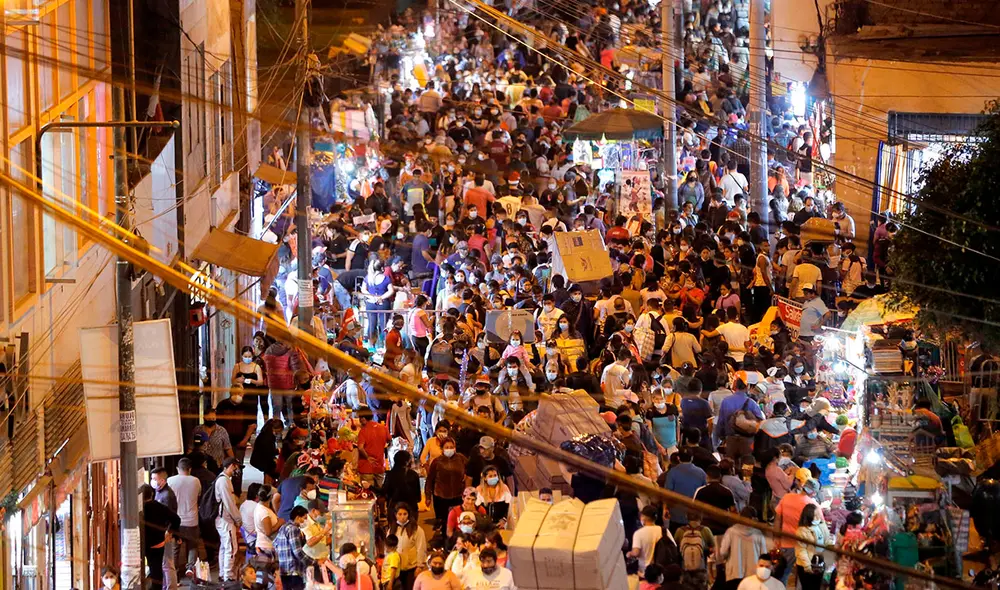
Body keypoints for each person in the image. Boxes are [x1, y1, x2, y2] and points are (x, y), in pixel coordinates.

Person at [167, 458, 204, 576]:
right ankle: (190, 568)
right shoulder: (196, 481)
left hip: (176, 521)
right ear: (190, 469)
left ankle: (175, 572)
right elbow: (198, 496)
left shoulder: (170, 481)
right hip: (192, 520)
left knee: (175, 548)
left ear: (178, 468)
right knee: (192, 546)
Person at [719, 507, 770, 590]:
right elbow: (764, 555)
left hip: (734, 573)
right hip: (753, 575)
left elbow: (723, 552)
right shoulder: (758, 534)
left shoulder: (731, 531)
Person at [140, 483, 180, 590]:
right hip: (158, 543)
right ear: (152, 494)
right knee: (156, 570)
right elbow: (176, 519)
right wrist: (170, 532)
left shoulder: (139, 509)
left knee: (139, 569)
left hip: (142, 544)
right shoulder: (160, 507)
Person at [426, 437, 468, 528]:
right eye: (447, 447)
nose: (449, 449)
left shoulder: (461, 459)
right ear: (442, 449)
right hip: (441, 497)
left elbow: (470, 471)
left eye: (451, 447)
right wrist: (428, 496)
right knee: (444, 522)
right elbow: (430, 479)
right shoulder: (437, 462)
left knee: (458, 521)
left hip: (458, 495)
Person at [275, 506, 319, 590]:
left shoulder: (283, 528)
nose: (306, 521)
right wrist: (314, 562)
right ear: (298, 517)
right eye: (305, 518)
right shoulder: (293, 529)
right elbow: (298, 552)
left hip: (284, 570)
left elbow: (275, 545)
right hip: (293, 571)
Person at [664, 448, 707, 531]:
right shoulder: (701, 472)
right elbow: (705, 492)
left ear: (678, 458)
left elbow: (667, 493)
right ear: (692, 458)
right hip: (695, 517)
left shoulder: (672, 472)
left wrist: (665, 509)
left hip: (676, 515)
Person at [215, 457, 243, 582]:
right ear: (231, 466)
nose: (236, 470)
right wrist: (238, 519)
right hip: (226, 520)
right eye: (235, 467)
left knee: (225, 547)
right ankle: (228, 577)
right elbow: (229, 503)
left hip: (223, 519)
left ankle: (223, 573)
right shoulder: (224, 481)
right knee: (231, 548)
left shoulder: (224, 480)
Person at [389, 503, 427, 590]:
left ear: (409, 515)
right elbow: (388, 547)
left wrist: (419, 566)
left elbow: (421, 548)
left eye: (405, 514)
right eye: (400, 514)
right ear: (395, 515)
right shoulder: (392, 529)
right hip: (396, 568)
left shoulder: (416, 529)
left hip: (411, 568)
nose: (402, 517)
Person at [794, 504, 828, 590]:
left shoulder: (821, 525)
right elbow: (801, 550)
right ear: (809, 516)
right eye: (815, 515)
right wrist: (807, 566)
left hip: (819, 562)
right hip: (806, 564)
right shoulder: (802, 531)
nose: (818, 517)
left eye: (818, 514)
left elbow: (827, 540)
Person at [357, 407, 391, 487]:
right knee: (380, 491)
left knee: (368, 493)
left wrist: (367, 457)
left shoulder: (363, 431)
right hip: (379, 465)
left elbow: (360, 447)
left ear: (363, 418)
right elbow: (389, 440)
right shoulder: (383, 428)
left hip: (366, 466)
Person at [384, 450, 422, 517]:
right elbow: (418, 497)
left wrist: (370, 487)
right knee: (411, 526)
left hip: (394, 508)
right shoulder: (413, 474)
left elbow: (384, 491)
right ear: (407, 461)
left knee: (394, 527)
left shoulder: (390, 474)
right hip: (411, 507)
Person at [629, 506, 663, 576]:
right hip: (660, 571)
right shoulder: (663, 530)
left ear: (643, 517)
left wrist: (629, 554)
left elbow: (636, 553)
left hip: (644, 572)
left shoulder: (638, 533)